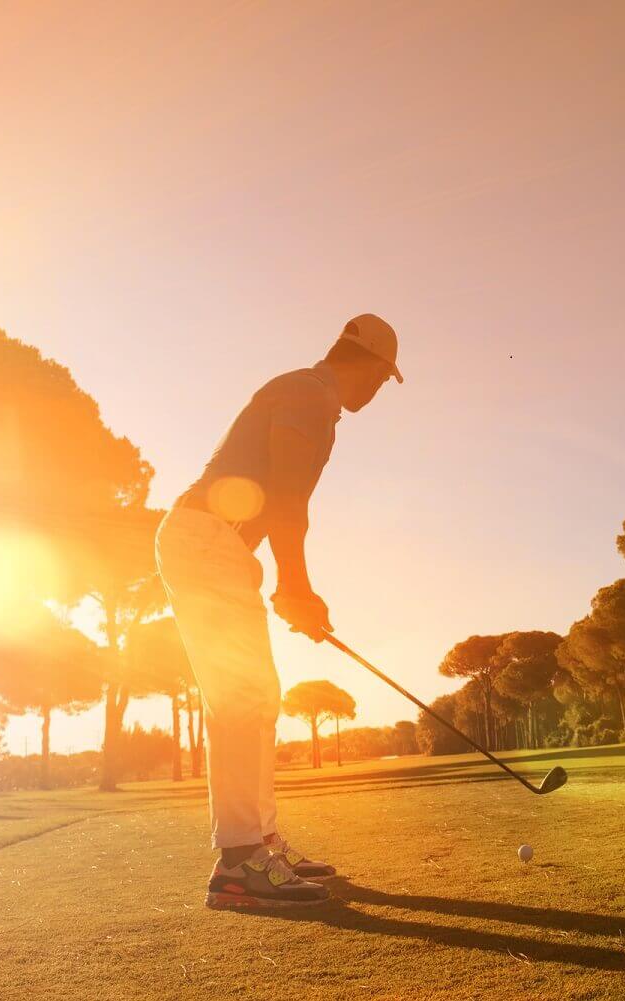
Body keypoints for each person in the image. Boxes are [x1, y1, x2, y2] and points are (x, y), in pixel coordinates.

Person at [154, 314, 402, 910]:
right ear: (365, 363)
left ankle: (260, 843)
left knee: (259, 693)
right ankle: (239, 864)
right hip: (208, 538)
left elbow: (282, 501)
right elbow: (288, 498)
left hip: (222, 545)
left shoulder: (316, 401)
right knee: (243, 694)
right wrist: (296, 585)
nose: (378, 390)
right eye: (382, 377)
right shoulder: (306, 393)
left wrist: (288, 583)